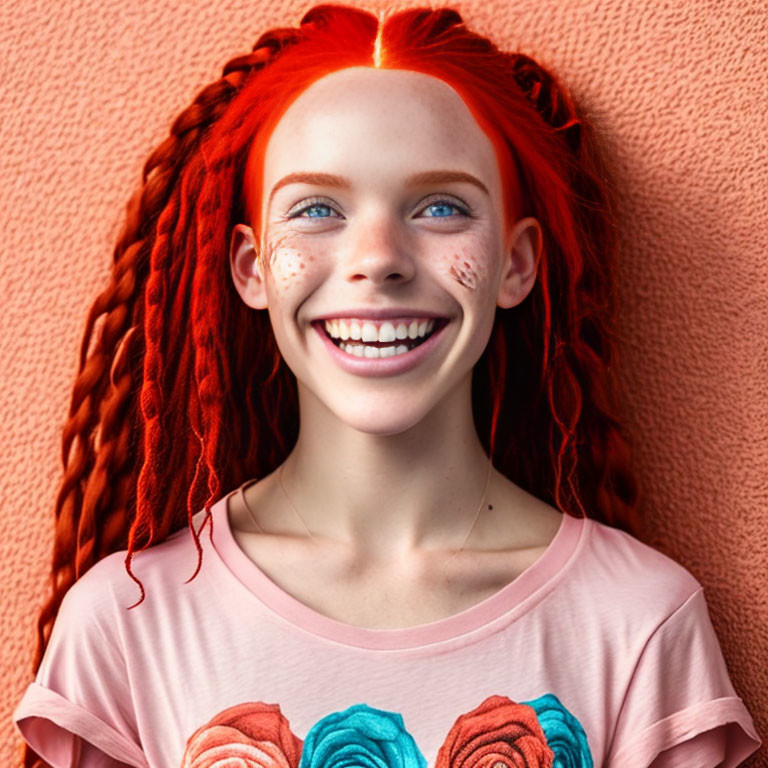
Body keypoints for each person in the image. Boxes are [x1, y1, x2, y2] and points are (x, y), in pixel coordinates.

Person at [12, 5, 762, 767]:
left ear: (517, 263)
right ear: (251, 269)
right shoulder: (129, 621)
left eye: (440, 206)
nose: (379, 259)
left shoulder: (639, 623)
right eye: (315, 209)